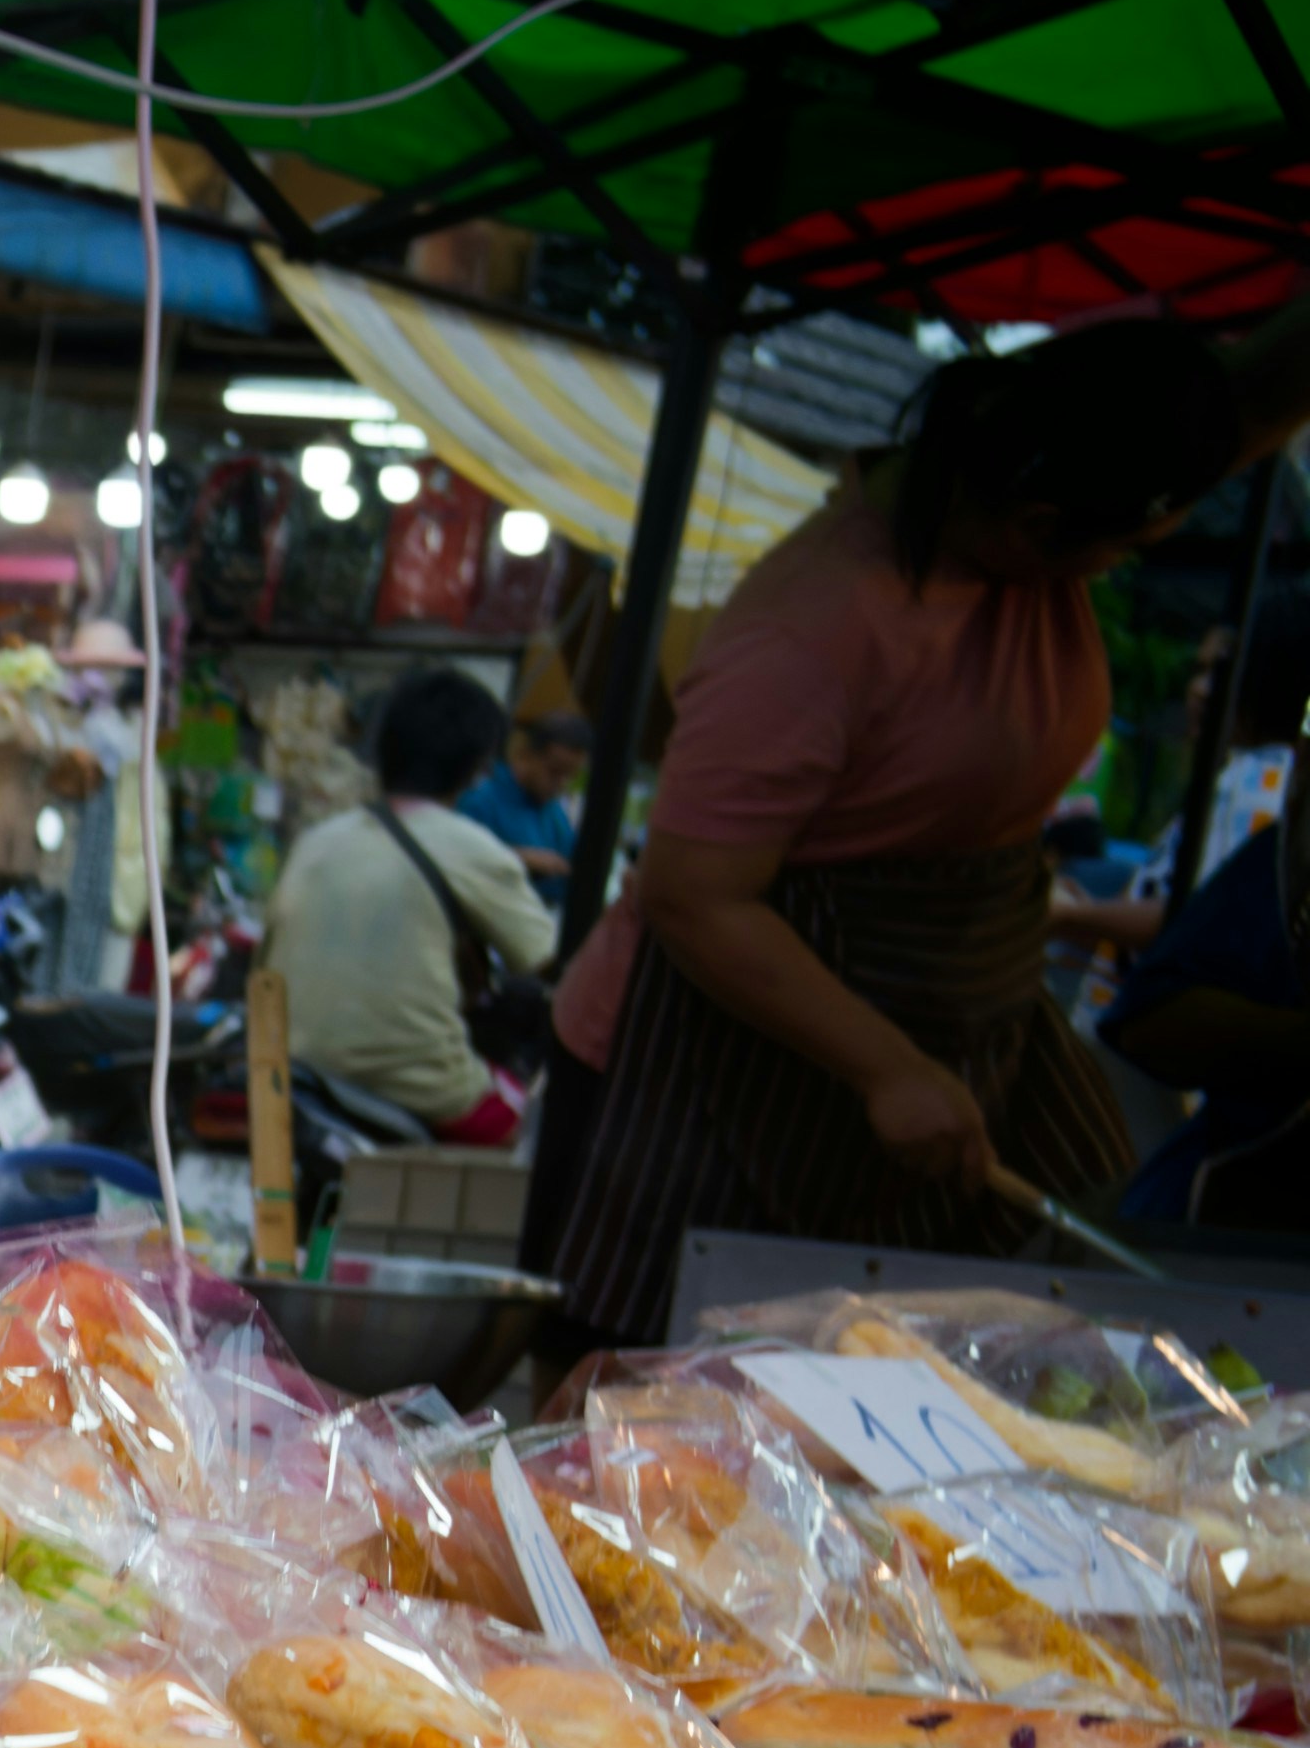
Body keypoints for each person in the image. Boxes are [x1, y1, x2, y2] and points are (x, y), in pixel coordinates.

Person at [538, 307, 1310, 1346]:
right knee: (681, 1379)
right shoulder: (814, 622)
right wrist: (886, 1066)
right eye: (1124, 548)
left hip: (951, 1012)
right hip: (727, 1052)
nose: (1122, 567)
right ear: (1037, 523)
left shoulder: (1020, 537)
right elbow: (691, 890)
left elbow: (1252, 400)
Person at [260, 667, 563, 1145]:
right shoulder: (474, 848)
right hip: (411, 1082)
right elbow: (551, 962)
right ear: (476, 765)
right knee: (540, 1137)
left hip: (292, 1065)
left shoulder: (316, 841)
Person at [1103, 595, 1310, 1230]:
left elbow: (1168, 921)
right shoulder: (1276, 818)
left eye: (1217, 674)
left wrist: (1063, 918)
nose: (1197, 692)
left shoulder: (1256, 782)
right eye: (1198, 672)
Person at [452, 708, 587, 893]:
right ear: (525, 755)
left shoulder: (553, 811)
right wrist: (516, 857)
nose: (561, 783)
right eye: (555, 771)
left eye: (570, 776)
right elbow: (455, 860)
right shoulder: (479, 800)